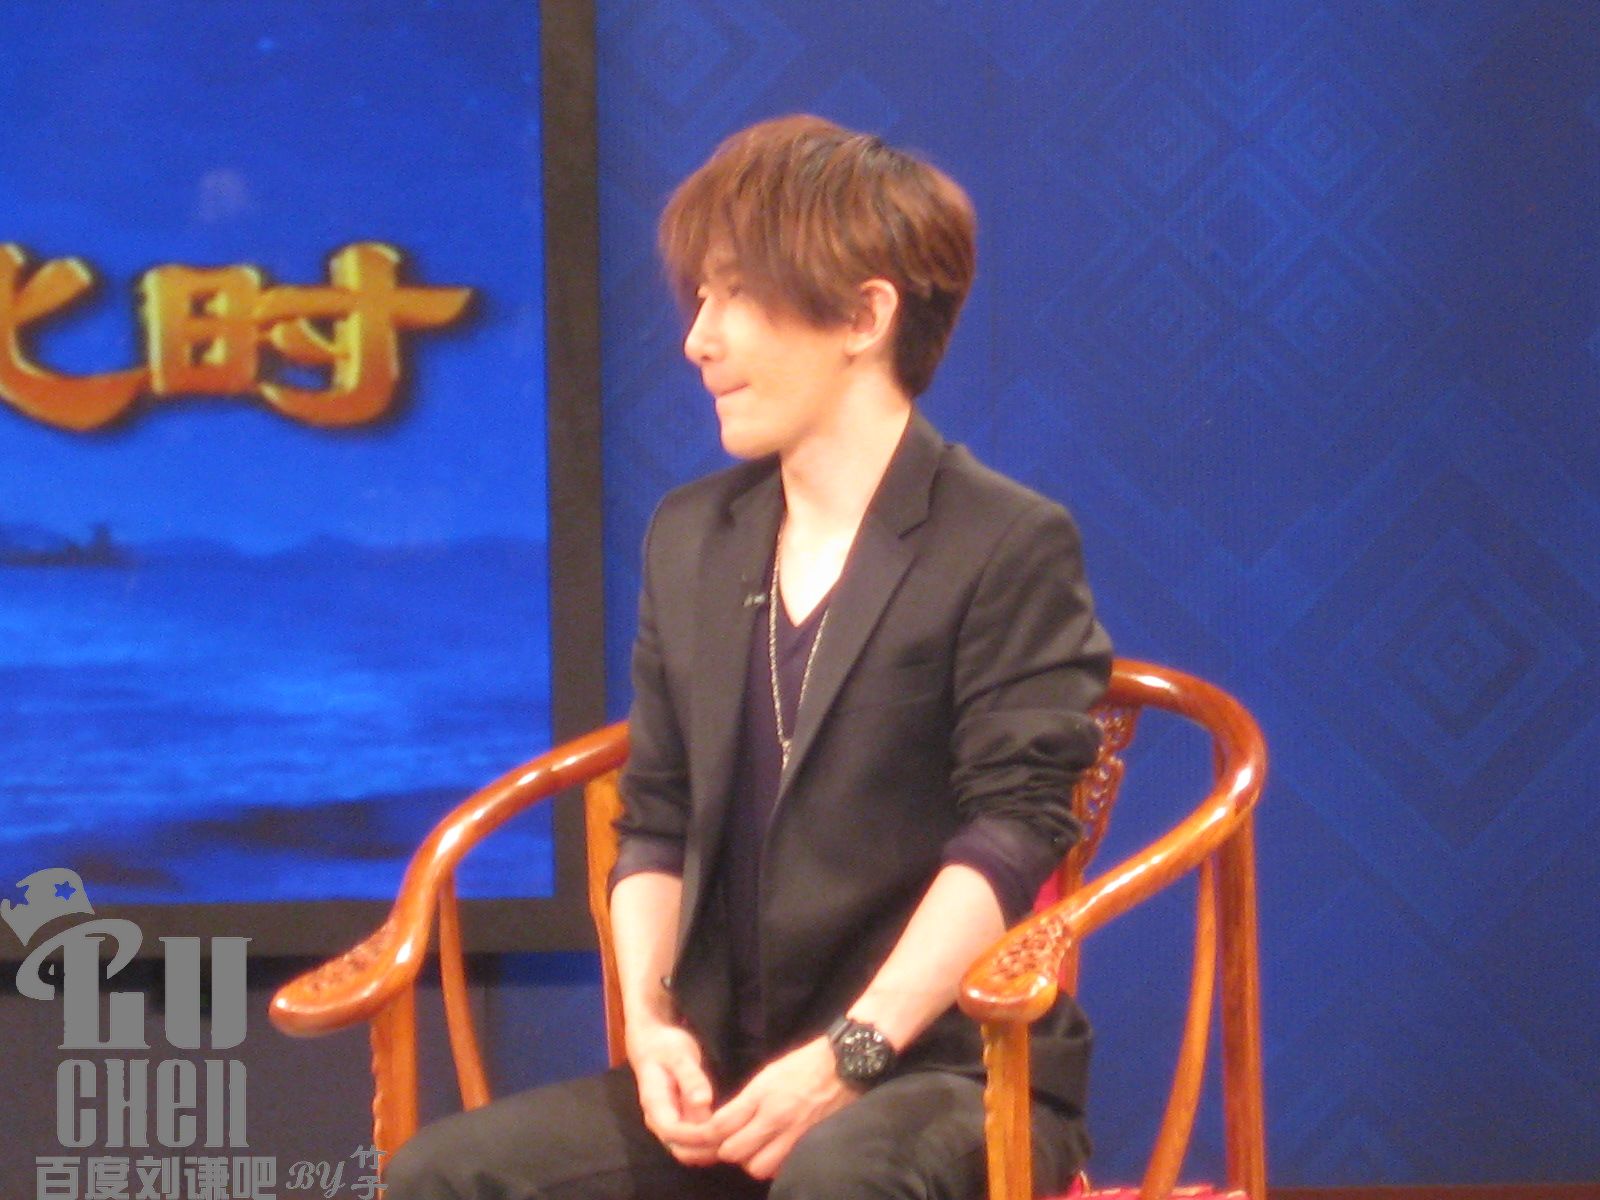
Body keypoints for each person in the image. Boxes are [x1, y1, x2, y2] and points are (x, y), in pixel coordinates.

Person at [385, 114, 1112, 1200]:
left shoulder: (1005, 540)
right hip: (734, 1070)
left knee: (839, 1178)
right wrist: (651, 1025)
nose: (697, 339)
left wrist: (849, 1055)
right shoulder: (693, 536)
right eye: (700, 298)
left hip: (952, 1070)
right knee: (443, 1174)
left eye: (735, 296)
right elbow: (656, 820)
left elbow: (1012, 836)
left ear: (864, 315)